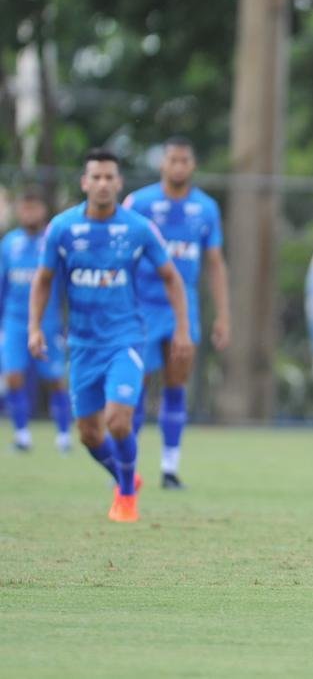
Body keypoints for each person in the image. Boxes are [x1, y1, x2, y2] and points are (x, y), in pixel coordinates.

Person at [29, 149, 193, 523]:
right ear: (85, 183)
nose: (102, 184)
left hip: (125, 339)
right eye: (96, 177)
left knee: (118, 421)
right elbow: (43, 280)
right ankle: (126, 475)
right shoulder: (62, 228)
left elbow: (172, 277)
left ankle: (126, 495)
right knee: (89, 434)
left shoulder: (138, 228)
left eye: (109, 177)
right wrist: (34, 328)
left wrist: (182, 329)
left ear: (119, 183)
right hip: (82, 345)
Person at [124, 136, 230, 488]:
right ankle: (127, 468)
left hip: (183, 310)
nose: (179, 166)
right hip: (141, 308)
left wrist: (224, 315)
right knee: (134, 386)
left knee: (176, 382)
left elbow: (215, 263)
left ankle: (169, 469)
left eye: (185, 160)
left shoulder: (206, 208)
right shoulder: (139, 203)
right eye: (173, 160)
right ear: (163, 164)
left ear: (193, 165)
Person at [0, 189, 72, 452]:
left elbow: (65, 286)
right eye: (25, 208)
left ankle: (64, 436)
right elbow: (2, 285)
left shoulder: (52, 242)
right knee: (13, 376)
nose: (29, 213)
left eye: (34, 208)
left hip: (48, 324)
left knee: (56, 379)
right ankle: (22, 435)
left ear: (43, 210)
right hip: (14, 322)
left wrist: (68, 323)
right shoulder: (9, 244)